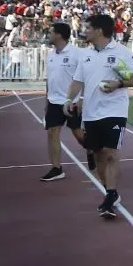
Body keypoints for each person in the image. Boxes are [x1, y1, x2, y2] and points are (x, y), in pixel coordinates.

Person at [63, 14, 133, 219]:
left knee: (110, 152)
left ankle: (109, 195)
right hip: (91, 112)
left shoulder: (122, 52)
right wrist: (68, 99)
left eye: (88, 27)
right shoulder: (85, 54)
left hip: (114, 110)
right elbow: (77, 81)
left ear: (99, 30)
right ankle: (111, 191)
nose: (85, 30)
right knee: (99, 154)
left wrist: (119, 83)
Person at [40, 22, 94, 182]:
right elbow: (49, 80)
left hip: (72, 102)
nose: (48, 35)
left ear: (59, 35)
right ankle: (57, 168)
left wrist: (82, 100)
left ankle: (91, 148)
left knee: (78, 134)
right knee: (52, 132)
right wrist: (46, 102)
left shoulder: (77, 53)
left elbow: (86, 78)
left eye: (50, 32)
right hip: (53, 102)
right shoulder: (50, 54)